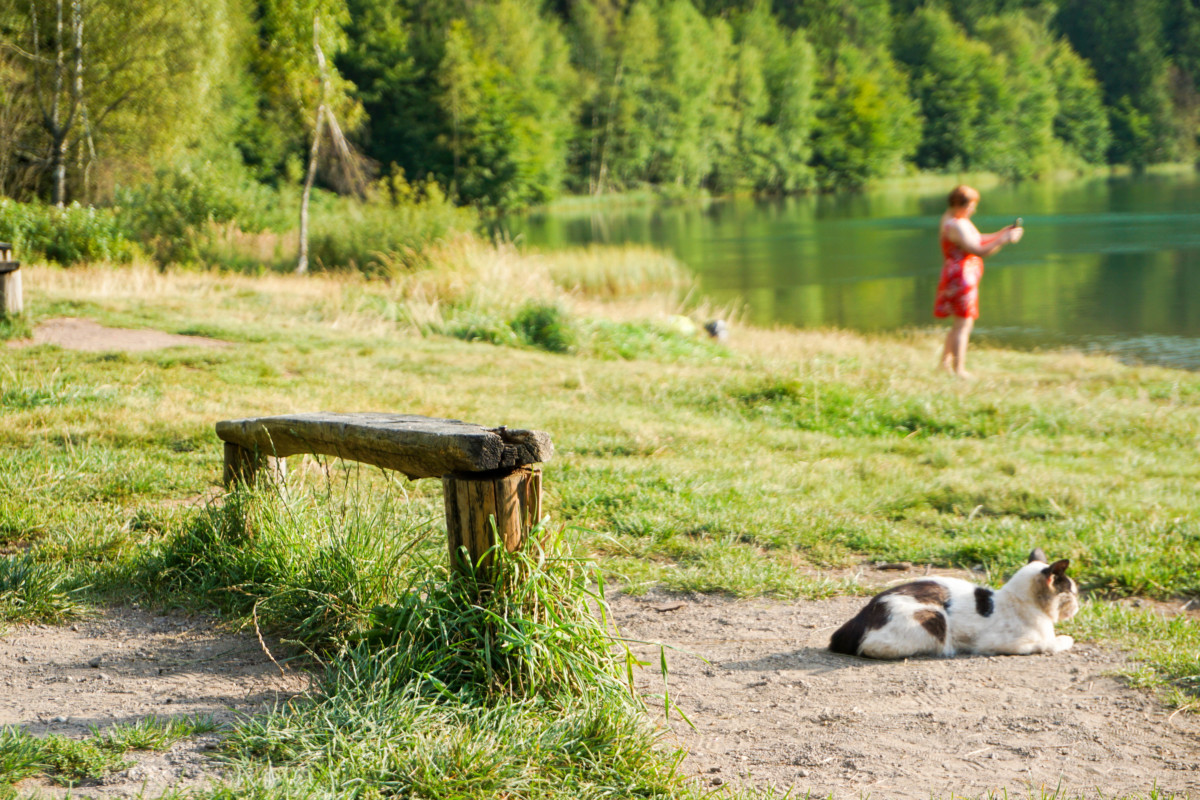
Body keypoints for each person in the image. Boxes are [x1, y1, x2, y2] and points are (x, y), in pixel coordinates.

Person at [934, 185, 1023, 377]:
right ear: (962, 205)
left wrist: (1000, 233)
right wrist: (1004, 240)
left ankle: (945, 365)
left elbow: (977, 238)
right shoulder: (956, 225)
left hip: (959, 276)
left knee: (958, 324)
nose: (974, 209)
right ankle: (959, 370)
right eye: (972, 205)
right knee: (963, 325)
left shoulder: (955, 220)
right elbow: (978, 249)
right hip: (961, 279)